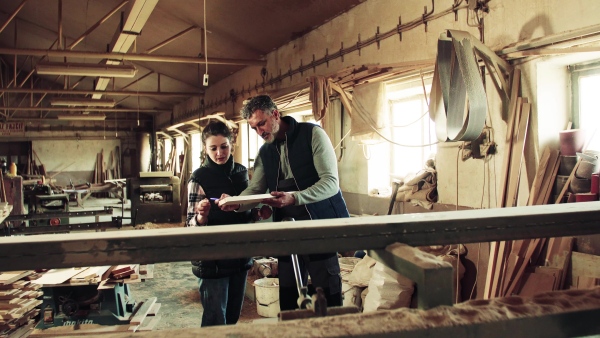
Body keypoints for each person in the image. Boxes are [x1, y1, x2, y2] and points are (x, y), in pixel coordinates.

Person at [219, 94, 350, 311]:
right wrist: (236, 202)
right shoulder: (266, 151)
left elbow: (330, 183)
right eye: (254, 128)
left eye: (262, 123)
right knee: (288, 294)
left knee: (327, 292)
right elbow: (256, 189)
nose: (260, 131)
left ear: (276, 115)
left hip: (319, 226)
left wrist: (295, 197)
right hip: (288, 229)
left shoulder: (312, 134)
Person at [186, 120, 271, 327]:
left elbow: (246, 211)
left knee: (232, 318)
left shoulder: (241, 173)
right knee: (215, 321)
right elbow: (190, 225)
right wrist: (201, 217)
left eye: (224, 146)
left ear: (231, 144)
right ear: (205, 149)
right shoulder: (199, 177)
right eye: (213, 148)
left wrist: (257, 213)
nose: (219, 153)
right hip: (212, 261)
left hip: (240, 257)